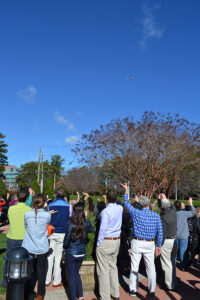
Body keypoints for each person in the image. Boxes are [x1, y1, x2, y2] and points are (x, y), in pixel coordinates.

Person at [121, 183, 163, 297]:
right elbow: (160, 232)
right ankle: (152, 289)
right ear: (148, 204)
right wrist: (158, 246)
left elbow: (126, 203)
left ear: (140, 204)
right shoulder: (156, 216)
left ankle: (133, 290)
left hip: (137, 242)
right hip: (150, 244)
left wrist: (126, 191)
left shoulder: (136, 213)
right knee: (151, 268)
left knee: (134, 267)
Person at [96, 190, 123, 300]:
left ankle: (105, 296)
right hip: (116, 240)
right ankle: (115, 293)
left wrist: (98, 242)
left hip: (106, 240)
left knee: (103, 270)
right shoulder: (120, 208)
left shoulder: (105, 212)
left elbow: (103, 228)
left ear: (107, 199)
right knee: (113, 266)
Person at [22, 194, 51, 300]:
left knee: (28, 270)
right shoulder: (47, 215)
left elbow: (26, 226)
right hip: (41, 246)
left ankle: (27, 292)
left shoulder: (27, 214)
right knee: (41, 270)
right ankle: (40, 293)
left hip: (29, 245)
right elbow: (47, 224)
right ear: (43, 203)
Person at [1, 190, 32, 288]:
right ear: (26, 199)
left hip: (13, 237)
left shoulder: (11, 209)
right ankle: (25, 282)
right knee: (25, 261)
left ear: (17, 198)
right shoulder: (28, 210)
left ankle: (5, 282)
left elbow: (10, 219)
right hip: (24, 238)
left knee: (8, 260)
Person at [63, 202, 93, 300]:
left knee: (72, 275)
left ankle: (73, 297)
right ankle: (80, 296)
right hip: (81, 252)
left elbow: (66, 239)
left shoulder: (70, 223)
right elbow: (92, 230)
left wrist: (65, 247)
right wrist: (87, 218)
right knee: (76, 273)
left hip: (71, 251)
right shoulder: (86, 222)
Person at [45, 188, 70, 287]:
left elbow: (47, 218)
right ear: (64, 196)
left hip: (51, 232)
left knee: (50, 256)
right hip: (62, 232)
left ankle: (47, 280)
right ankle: (56, 280)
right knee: (58, 256)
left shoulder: (50, 205)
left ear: (56, 195)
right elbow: (70, 218)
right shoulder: (68, 206)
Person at [158, 194, 177, 291]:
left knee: (166, 264)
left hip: (167, 241)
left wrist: (159, 245)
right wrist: (164, 198)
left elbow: (163, 234)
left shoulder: (163, 217)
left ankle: (169, 285)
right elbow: (172, 205)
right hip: (174, 240)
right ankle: (173, 282)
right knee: (172, 263)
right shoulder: (173, 211)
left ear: (162, 207)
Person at [174, 198, 196, 269]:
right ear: (181, 207)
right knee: (183, 252)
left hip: (175, 235)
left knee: (174, 252)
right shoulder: (184, 213)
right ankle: (182, 266)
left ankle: (173, 265)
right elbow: (193, 212)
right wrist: (191, 204)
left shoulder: (172, 213)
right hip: (183, 235)